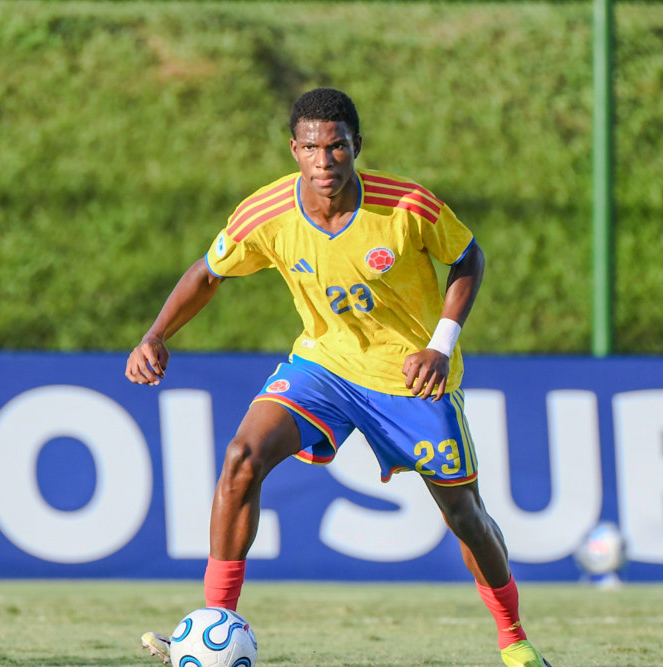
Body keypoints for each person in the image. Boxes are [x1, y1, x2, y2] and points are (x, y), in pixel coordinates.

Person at [126, 88, 551, 667]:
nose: (324, 162)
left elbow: (468, 257)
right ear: (293, 149)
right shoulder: (266, 214)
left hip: (410, 379)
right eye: (310, 148)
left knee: (464, 517)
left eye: (337, 148)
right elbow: (208, 272)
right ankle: (214, 622)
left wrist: (440, 344)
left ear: (357, 147)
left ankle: (514, 640)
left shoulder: (407, 206)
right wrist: (155, 334)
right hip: (324, 366)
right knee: (241, 458)